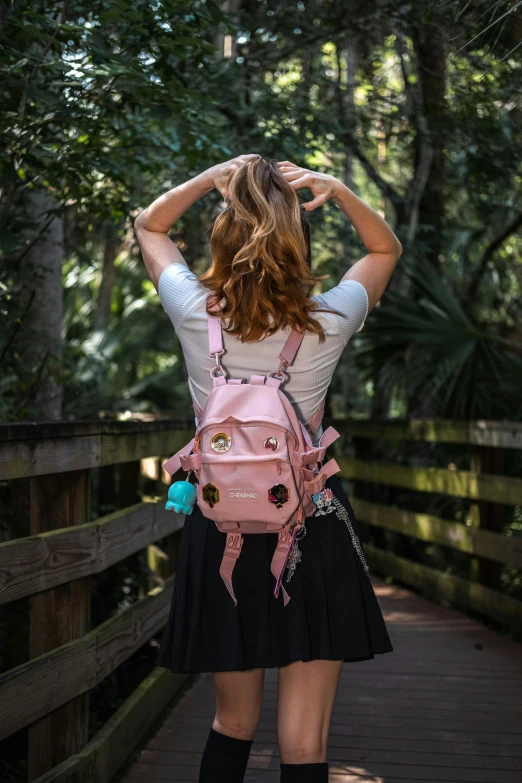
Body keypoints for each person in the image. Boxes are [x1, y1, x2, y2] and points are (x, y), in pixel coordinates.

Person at [135, 154, 402, 783]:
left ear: (224, 236)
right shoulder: (328, 320)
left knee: (232, 722)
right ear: (299, 242)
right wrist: (335, 190)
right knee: (303, 742)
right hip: (312, 527)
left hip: (217, 525)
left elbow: (149, 227)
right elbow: (384, 249)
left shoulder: (193, 309)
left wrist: (207, 180)